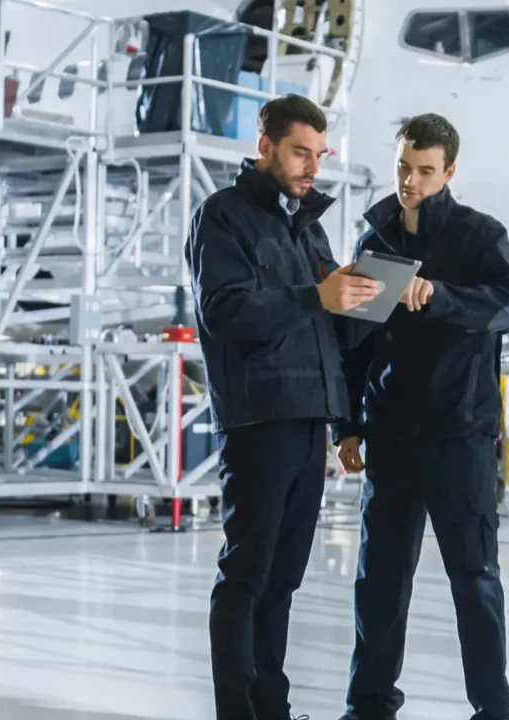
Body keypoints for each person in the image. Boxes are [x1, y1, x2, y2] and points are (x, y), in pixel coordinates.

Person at [186, 93, 379, 720]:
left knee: (283, 582)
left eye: (319, 155)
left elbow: (329, 330)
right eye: (301, 152)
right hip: (259, 423)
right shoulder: (223, 217)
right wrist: (315, 294)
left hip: (309, 423)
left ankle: (272, 708)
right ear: (265, 145)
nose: (311, 167)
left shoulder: (309, 226)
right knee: (246, 576)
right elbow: (225, 312)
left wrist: (361, 299)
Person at [334, 113, 509, 720]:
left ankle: (494, 711)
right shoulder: (376, 243)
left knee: (474, 580)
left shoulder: (479, 237)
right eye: (403, 167)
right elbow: (357, 344)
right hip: (391, 436)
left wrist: (440, 296)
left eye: (424, 171)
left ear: (449, 171)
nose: (410, 181)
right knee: (380, 581)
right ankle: (368, 706)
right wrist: (347, 425)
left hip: (458, 437)